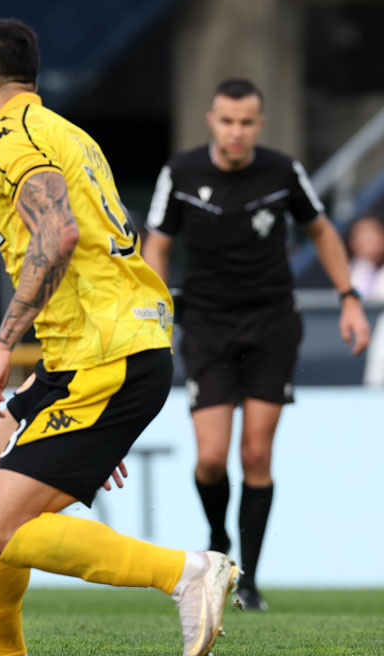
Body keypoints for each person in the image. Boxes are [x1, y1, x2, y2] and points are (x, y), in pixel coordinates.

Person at [0, 18, 239, 656]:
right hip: (83, 355)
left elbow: (56, 235)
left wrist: (0, 348)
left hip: (102, 353)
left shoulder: (5, 137)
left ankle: (186, 572)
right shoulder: (65, 134)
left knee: (0, 522)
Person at [142, 78, 370, 612]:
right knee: (211, 460)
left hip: (271, 325)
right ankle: (218, 539)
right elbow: (157, 242)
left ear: (259, 124)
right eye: (227, 121)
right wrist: (155, 310)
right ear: (211, 120)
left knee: (257, 454)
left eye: (246, 122)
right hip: (206, 326)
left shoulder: (282, 170)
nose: (236, 131)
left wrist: (350, 298)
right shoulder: (180, 173)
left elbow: (321, 231)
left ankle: (249, 580)